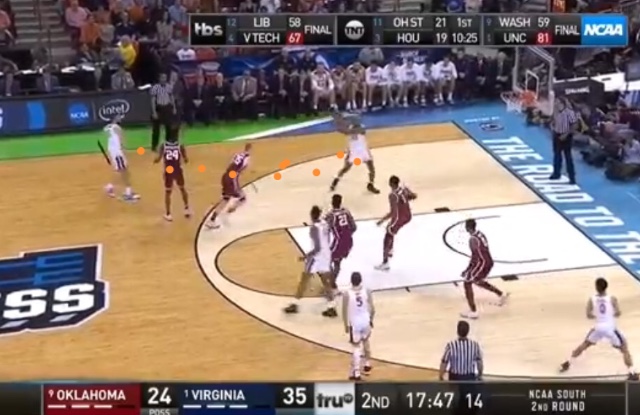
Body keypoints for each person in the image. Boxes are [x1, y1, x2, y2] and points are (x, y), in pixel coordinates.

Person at [559, 277, 638, 380]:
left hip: (598, 327)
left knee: (584, 344)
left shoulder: (592, 299)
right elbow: (618, 313)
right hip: (610, 328)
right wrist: (611, 314)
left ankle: (568, 362)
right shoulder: (612, 298)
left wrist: (598, 316)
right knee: (624, 349)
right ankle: (632, 372)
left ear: (596, 287)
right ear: (606, 287)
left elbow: (589, 315)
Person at [284, 205, 337, 318]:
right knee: (326, 282)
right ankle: (332, 306)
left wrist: (305, 257)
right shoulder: (325, 224)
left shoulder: (314, 228)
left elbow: (317, 248)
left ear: (312, 215)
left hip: (316, 257)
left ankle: (295, 304)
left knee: (304, 280)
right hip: (326, 255)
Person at [460, 219, 508, 319]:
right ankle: (501, 294)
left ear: (467, 228)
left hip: (482, 263)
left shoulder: (472, 239)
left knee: (467, 282)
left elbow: (475, 256)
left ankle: (473, 311)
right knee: (478, 281)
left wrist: (468, 269)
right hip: (488, 261)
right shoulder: (480, 234)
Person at [329, 112, 380, 194]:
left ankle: (370, 185)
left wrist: (339, 121)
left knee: (371, 168)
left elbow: (346, 131)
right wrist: (339, 121)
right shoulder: (353, 128)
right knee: (346, 168)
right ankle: (336, 180)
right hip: (356, 151)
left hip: (360, 151)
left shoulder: (360, 128)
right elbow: (345, 130)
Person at [440, 320, 484, 415]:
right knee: (470, 401)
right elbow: (479, 362)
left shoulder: (451, 345)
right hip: (469, 377)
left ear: (457, 331)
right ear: (468, 331)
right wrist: (480, 375)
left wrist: (441, 375)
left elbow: (444, 362)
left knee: (456, 402)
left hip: (455, 377)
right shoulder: (474, 345)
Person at [375, 175, 416, 271]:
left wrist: (382, 220)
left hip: (399, 218)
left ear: (391, 184)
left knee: (387, 236)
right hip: (408, 215)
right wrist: (408, 194)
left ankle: (385, 263)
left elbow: (393, 213)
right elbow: (414, 196)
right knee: (391, 231)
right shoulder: (403, 189)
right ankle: (390, 250)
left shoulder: (392, 195)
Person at [206, 143, 252, 229]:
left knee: (226, 199)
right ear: (250, 149)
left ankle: (212, 220)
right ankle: (231, 209)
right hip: (232, 179)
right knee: (242, 198)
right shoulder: (247, 158)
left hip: (225, 176)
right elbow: (242, 169)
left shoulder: (238, 155)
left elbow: (232, 164)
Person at [153, 123, 191, 222]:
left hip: (168, 171)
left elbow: (157, 159)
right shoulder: (180, 146)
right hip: (178, 170)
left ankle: (168, 214)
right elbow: (186, 160)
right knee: (182, 189)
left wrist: (155, 158)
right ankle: (187, 209)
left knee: (168, 192)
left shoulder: (163, 146)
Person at [342, 271, 374, 380]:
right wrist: (371, 320)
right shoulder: (367, 291)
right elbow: (373, 308)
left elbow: (344, 311)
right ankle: (367, 363)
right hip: (365, 320)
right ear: (361, 280)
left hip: (355, 323)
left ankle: (356, 372)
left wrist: (345, 324)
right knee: (366, 341)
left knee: (356, 346)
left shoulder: (347, 294)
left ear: (351, 281)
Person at [103, 115, 140, 201]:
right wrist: (124, 151)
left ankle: (112, 187)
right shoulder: (117, 128)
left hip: (114, 152)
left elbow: (110, 138)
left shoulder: (107, 127)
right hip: (118, 153)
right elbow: (121, 141)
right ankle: (127, 193)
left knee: (123, 170)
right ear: (115, 119)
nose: (120, 119)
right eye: (119, 118)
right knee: (123, 171)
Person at [325, 194, 357, 291]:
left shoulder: (331, 215)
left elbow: (324, 228)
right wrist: (346, 234)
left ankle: (331, 282)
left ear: (332, 203)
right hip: (349, 241)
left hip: (339, 242)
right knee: (337, 262)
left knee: (326, 260)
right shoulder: (346, 212)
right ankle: (332, 282)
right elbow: (354, 227)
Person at [549, 98, 578, 184]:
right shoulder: (555, 111)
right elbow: (553, 120)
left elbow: (575, 125)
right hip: (557, 134)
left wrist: (566, 134)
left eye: (557, 102)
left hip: (566, 136)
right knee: (557, 155)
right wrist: (553, 126)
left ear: (562, 103)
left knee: (568, 157)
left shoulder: (569, 113)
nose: (555, 103)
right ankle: (556, 173)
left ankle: (572, 177)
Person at [150, 73, 176, 152]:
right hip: (159, 108)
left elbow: (171, 97)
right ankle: (154, 146)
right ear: (159, 79)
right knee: (156, 129)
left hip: (167, 108)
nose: (163, 79)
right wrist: (154, 112)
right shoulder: (155, 88)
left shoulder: (169, 87)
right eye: (162, 78)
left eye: (165, 78)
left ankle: (168, 145)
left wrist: (174, 107)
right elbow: (153, 100)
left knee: (169, 128)